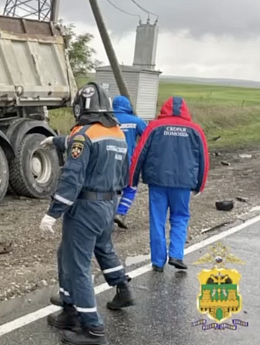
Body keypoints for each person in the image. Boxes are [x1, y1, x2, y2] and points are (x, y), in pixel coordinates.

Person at [39, 82, 134, 345]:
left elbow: (72, 178)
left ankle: (91, 328)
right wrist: (57, 141)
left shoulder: (82, 134)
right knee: (98, 249)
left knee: (76, 264)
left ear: (80, 107)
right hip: (107, 204)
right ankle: (118, 290)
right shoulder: (116, 133)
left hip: (85, 207)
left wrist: (53, 212)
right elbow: (124, 173)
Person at [129, 96, 209, 272]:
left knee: (157, 220)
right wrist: (200, 184)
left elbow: (139, 153)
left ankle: (158, 261)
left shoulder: (154, 127)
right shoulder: (195, 130)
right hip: (183, 183)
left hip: (157, 182)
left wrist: (132, 180)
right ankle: (176, 255)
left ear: (164, 109)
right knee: (180, 217)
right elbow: (203, 158)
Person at [111, 95, 147, 229]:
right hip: (128, 161)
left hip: (108, 161)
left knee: (110, 189)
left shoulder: (107, 119)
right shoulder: (136, 121)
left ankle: (106, 216)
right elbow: (148, 137)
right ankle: (120, 213)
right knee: (131, 187)